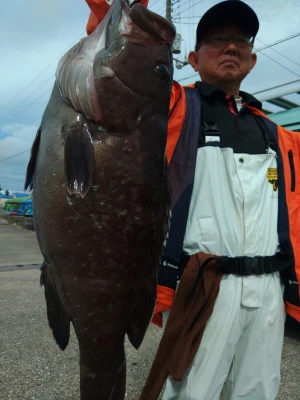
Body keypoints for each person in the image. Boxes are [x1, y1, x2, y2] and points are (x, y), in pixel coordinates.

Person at [85, 1, 300, 399]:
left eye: (240, 41)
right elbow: (112, 68)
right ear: (194, 58)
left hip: (271, 289)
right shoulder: (169, 106)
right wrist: (117, 9)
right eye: (218, 39)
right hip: (200, 286)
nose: (231, 47)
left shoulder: (282, 138)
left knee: (260, 392)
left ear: (252, 59)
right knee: (190, 391)